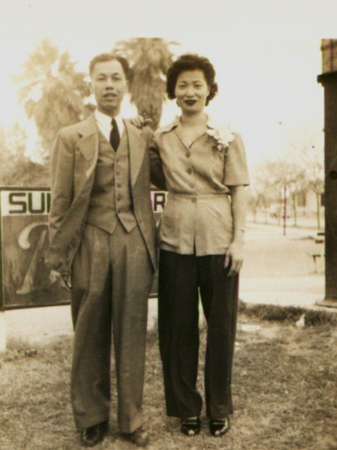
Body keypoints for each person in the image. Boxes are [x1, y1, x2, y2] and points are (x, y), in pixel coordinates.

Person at [45, 53, 162, 447]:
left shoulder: (141, 134)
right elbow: (60, 201)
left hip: (134, 241)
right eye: (101, 79)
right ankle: (91, 417)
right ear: (91, 86)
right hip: (90, 242)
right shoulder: (70, 137)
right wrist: (59, 257)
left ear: (126, 85)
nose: (109, 85)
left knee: (132, 333)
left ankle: (132, 420)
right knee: (90, 331)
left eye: (116, 78)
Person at [150, 54, 249, 438]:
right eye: (183, 84)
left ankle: (219, 408)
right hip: (174, 238)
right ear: (173, 91)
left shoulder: (228, 135)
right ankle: (186, 408)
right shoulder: (160, 138)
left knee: (221, 326)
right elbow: (155, 177)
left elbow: (239, 190)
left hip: (218, 237)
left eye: (197, 84)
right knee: (178, 327)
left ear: (209, 89)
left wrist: (238, 240)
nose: (190, 91)